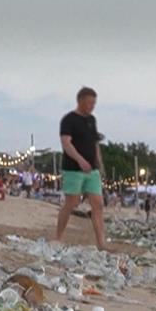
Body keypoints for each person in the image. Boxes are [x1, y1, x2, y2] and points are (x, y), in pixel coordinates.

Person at [56, 87, 110, 250]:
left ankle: (101, 243)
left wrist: (99, 164)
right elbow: (66, 143)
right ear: (80, 101)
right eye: (89, 103)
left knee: (98, 204)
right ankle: (58, 238)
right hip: (73, 169)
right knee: (71, 202)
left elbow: (95, 144)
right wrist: (80, 160)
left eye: (94, 103)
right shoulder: (68, 120)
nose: (92, 106)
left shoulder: (92, 120)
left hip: (92, 170)